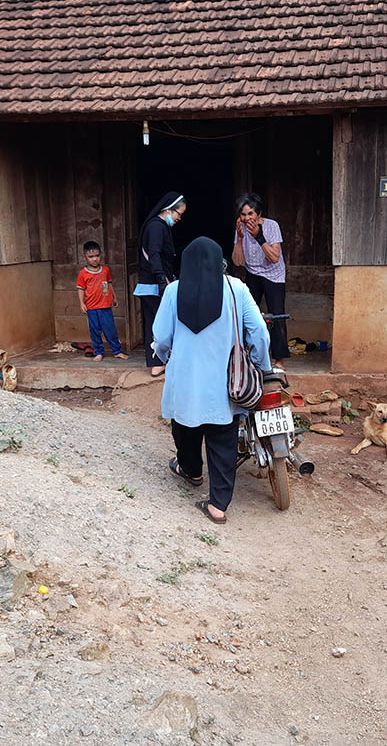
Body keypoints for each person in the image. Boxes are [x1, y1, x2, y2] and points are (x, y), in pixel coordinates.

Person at [152, 237, 271, 525]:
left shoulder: (173, 291)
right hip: (225, 382)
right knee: (223, 439)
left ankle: (191, 471)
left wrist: (166, 354)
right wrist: (262, 365)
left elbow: (161, 336)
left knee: (184, 428)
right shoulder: (236, 289)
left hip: (184, 380)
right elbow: (258, 332)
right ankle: (218, 505)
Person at [231, 192, 289, 370]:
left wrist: (258, 237)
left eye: (250, 214)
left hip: (274, 275)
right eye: (243, 214)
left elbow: (274, 257)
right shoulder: (240, 229)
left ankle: (279, 360)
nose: (247, 218)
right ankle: (245, 354)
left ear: (258, 214)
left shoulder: (272, 226)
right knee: (246, 313)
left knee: (277, 315)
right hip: (253, 273)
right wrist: (240, 239)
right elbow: (237, 261)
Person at [134, 192, 186, 377]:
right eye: (178, 213)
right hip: (154, 284)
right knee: (159, 323)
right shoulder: (156, 227)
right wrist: (161, 281)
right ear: (168, 210)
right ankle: (158, 362)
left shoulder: (160, 226)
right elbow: (154, 254)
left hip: (155, 282)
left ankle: (159, 360)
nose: (179, 218)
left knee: (156, 322)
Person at [76, 240, 127, 362]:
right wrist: (81, 303)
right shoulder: (83, 273)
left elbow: (109, 284)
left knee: (110, 329)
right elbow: (80, 288)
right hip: (92, 308)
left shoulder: (105, 270)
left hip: (105, 306)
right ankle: (98, 352)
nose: (94, 259)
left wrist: (114, 297)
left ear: (101, 255)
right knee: (95, 331)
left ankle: (116, 351)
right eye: (91, 257)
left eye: (97, 256)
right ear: (85, 257)